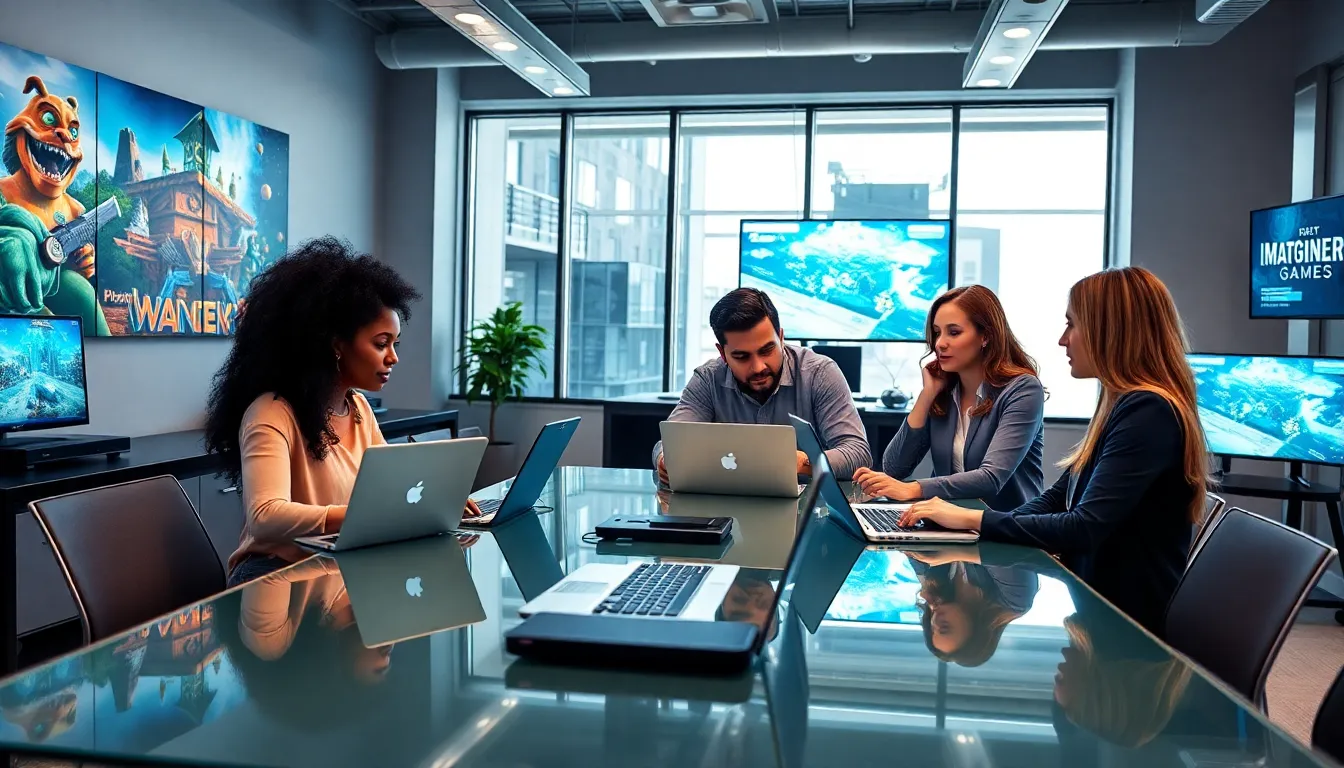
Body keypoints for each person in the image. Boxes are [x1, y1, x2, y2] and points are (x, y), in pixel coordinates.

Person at [900, 266, 1208, 635]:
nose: (1064, 340)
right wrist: (982, 533)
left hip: (1124, 624)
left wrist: (971, 520)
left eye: (1072, 325)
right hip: (1095, 604)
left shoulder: (1148, 412)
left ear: (1110, 331)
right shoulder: (1123, 405)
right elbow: (1056, 499)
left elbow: (1083, 526)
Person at [204, 237, 479, 587]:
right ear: (335, 345)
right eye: (381, 344)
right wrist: (363, 517)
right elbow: (265, 517)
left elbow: (392, 488)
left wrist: (439, 502)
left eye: (394, 344)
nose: (393, 357)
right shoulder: (271, 413)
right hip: (272, 579)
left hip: (332, 567)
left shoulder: (359, 408)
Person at [851, 285, 1045, 509]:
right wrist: (927, 395)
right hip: (948, 525)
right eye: (937, 332)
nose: (939, 343)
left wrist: (913, 489)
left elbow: (991, 478)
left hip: (1007, 530)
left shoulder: (1023, 390)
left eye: (954, 332)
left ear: (986, 336)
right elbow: (894, 468)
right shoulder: (944, 391)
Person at [654, 288, 871, 482]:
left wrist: (803, 462)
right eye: (741, 356)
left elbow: (858, 453)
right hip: (726, 512)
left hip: (808, 513)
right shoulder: (708, 379)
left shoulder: (819, 373)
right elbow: (669, 444)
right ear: (723, 353)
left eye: (767, 350)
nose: (758, 367)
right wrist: (666, 460)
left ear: (781, 337)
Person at [907, 550, 1039, 668]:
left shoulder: (936, 588)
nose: (935, 620)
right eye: (945, 626)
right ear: (975, 632)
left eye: (932, 628)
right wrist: (949, 551)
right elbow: (996, 543)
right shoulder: (1015, 600)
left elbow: (906, 535)